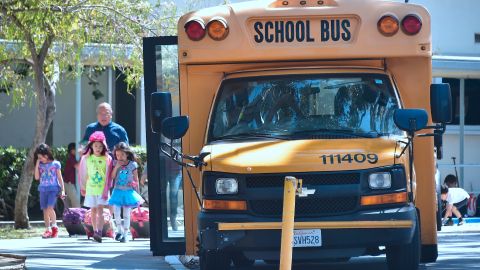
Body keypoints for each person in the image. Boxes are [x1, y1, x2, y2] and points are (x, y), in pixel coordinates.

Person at [78, 131, 113, 242]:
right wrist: (83, 187)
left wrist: (107, 189)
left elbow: (109, 176)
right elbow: (83, 174)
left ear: (104, 147)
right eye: (95, 146)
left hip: (102, 189)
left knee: (100, 210)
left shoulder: (107, 159)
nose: (98, 148)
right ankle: (94, 230)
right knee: (93, 210)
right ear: (91, 146)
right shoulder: (86, 158)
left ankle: (99, 231)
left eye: (100, 146)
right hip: (91, 188)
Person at [108, 142, 144, 242]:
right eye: (117, 155)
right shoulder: (115, 163)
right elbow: (112, 177)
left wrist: (134, 184)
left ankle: (125, 234)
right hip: (117, 191)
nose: (120, 157)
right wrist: (116, 167)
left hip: (128, 192)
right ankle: (119, 231)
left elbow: (136, 179)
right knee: (117, 212)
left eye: (122, 155)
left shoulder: (132, 165)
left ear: (127, 154)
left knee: (126, 214)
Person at [34, 143, 66, 239]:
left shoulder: (55, 164)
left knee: (49, 208)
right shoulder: (40, 165)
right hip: (43, 189)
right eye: (39, 157)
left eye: (42, 157)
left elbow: (60, 178)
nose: (41, 159)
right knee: (45, 210)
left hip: (53, 189)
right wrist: (37, 164)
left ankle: (54, 227)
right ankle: (48, 229)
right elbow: (36, 177)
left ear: (47, 154)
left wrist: (63, 190)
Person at [63, 142, 80, 208]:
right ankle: (78, 216)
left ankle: (71, 216)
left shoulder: (74, 157)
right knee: (75, 201)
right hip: (69, 183)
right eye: (77, 149)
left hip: (71, 183)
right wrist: (82, 157)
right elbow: (77, 166)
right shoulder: (71, 158)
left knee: (70, 202)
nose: (78, 151)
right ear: (72, 150)